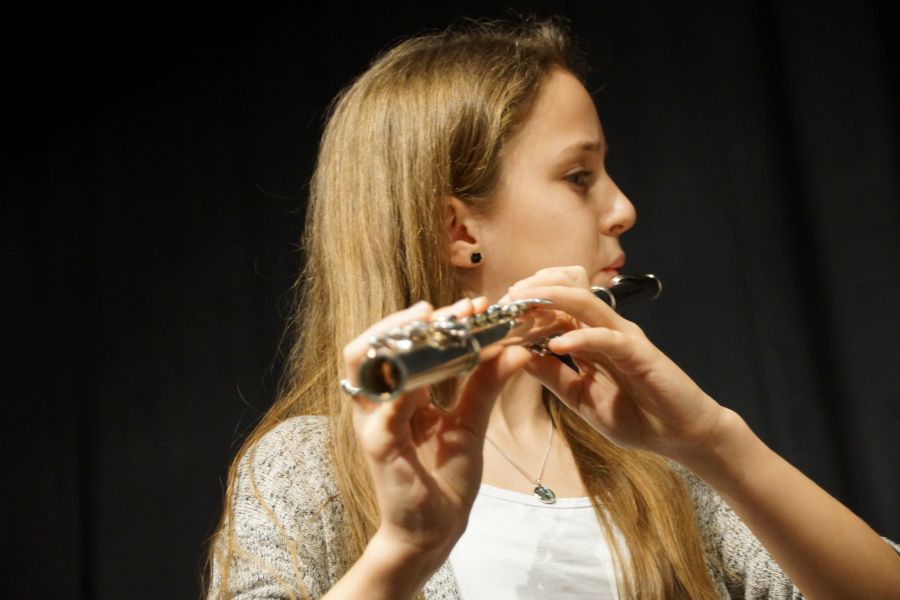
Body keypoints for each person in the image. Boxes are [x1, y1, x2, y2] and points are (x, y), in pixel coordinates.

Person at [206, 17, 900, 600]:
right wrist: (404, 552)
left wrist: (715, 442)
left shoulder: (651, 459)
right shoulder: (308, 469)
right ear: (458, 230)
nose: (622, 209)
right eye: (578, 176)